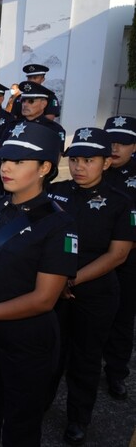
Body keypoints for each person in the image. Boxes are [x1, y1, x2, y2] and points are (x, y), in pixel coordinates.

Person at [0, 121, 77, 446]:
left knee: (21, 422)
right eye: (5, 159)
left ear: (45, 168)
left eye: (19, 161)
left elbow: (44, 298)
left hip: (26, 339)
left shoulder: (59, 223)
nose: (6, 167)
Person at [47, 128, 135, 445]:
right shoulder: (54, 193)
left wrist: (71, 280)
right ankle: (39, 404)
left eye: (89, 159)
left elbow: (118, 254)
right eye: (76, 159)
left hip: (94, 292)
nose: (80, 166)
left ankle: (78, 419)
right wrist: (54, 281)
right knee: (49, 354)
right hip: (51, 289)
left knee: (85, 359)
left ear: (106, 163)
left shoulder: (121, 203)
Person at [102, 115, 136, 401]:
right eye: (111, 139)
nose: (115, 147)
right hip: (92, 257)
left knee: (122, 319)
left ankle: (116, 372)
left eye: (123, 142)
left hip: (127, 260)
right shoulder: (92, 167)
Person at [4, 81, 65, 155]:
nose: (25, 105)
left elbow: (55, 158)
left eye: (31, 101)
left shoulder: (54, 129)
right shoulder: (12, 125)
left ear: (43, 104)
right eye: (23, 101)